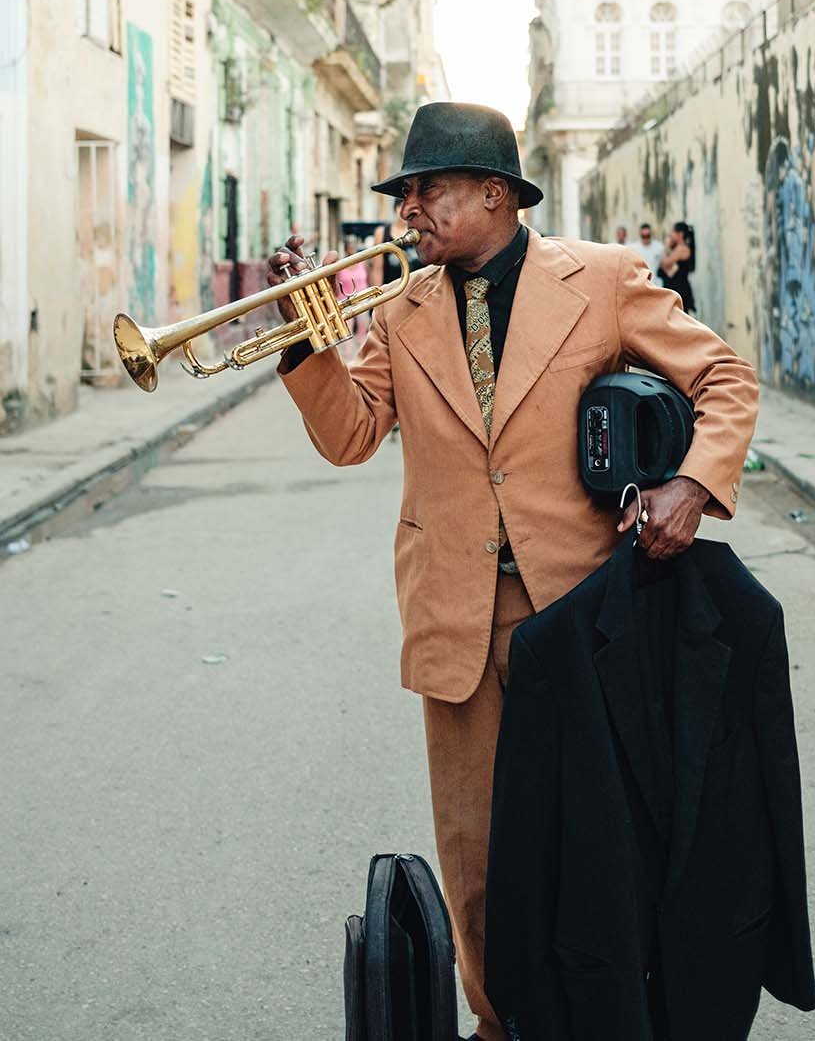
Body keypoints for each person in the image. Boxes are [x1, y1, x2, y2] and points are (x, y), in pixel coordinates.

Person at [266, 103, 758, 1041]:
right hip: (454, 616)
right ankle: (499, 1023)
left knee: (598, 838)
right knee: (477, 856)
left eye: (428, 190)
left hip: (584, 613)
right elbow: (349, 435)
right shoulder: (399, 308)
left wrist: (691, 485)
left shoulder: (603, 279)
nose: (408, 210)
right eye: (404, 194)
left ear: (495, 194)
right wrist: (303, 341)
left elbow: (723, 379)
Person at [659, 220, 696, 314]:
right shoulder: (677, 248)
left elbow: (665, 263)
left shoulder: (682, 249)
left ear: (680, 234)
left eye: (673, 232)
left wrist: (667, 246)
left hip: (680, 289)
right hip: (675, 288)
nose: (671, 235)